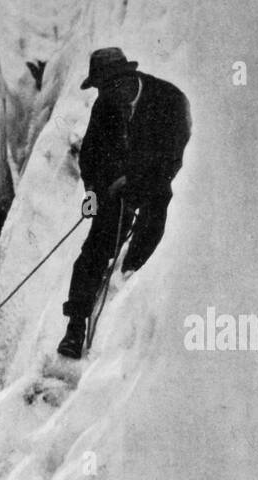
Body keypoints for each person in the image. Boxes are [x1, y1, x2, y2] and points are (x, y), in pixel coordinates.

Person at [58, 47, 191, 359]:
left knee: (155, 214)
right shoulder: (106, 104)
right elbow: (91, 152)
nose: (105, 94)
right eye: (102, 88)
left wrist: (132, 181)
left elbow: (172, 159)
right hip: (116, 187)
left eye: (109, 86)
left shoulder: (168, 100)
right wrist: (92, 192)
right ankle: (75, 325)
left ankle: (132, 273)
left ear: (128, 79)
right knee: (94, 248)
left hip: (157, 183)